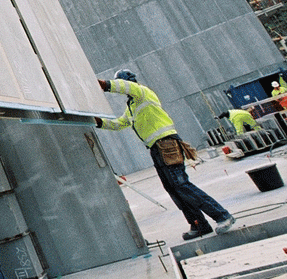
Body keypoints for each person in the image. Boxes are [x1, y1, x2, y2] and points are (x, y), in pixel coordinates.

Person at [96, 70, 235, 241]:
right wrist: (98, 122)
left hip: (166, 143)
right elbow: (119, 124)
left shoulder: (142, 92)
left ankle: (222, 215)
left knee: (181, 184)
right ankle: (199, 225)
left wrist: (104, 84)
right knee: (173, 187)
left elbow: (126, 87)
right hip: (157, 148)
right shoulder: (132, 107)